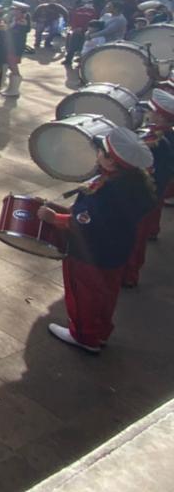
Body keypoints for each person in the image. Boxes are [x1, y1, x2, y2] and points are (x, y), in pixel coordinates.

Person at [36, 127, 155, 353]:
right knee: (106, 293)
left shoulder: (108, 190)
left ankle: (84, 336)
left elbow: (85, 221)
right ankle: (99, 331)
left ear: (111, 161)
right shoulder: (134, 182)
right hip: (115, 252)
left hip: (89, 254)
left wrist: (54, 218)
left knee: (84, 293)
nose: (98, 153)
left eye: (102, 151)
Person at [122, 89, 174, 287]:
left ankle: (129, 275)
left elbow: (148, 172)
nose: (149, 114)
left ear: (161, 116)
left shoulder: (157, 143)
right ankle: (153, 230)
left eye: (152, 112)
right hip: (152, 194)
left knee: (135, 237)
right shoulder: (163, 137)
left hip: (143, 196)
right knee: (144, 228)